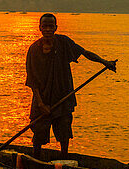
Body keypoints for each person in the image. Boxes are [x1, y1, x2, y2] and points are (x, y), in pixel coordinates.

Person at [25, 13, 116, 160]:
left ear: (56, 27)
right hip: (42, 99)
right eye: (45, 26)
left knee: (64, 132)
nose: (48, 29)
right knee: (39, 133)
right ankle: (36, 160)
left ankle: (64, 160)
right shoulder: (33, 50)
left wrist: (104, 62)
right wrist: (41, 104)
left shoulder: (63, 43)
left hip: (63, 96)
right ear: (40, 28)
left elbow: (85, 53)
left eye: (51, 26)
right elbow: (32, 80)